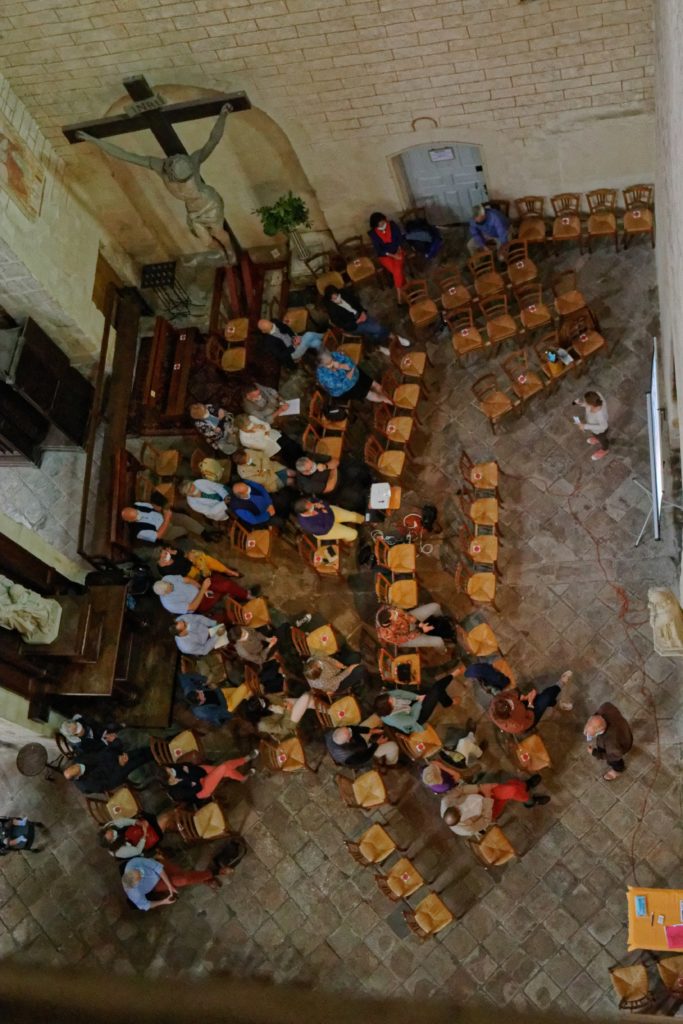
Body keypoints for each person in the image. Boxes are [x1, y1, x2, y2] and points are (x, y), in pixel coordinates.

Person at [441, 775, 549, 837]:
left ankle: (527, 793)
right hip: (488, 809)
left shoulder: (446, 801)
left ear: (452, 806)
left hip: (481, 793)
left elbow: (462, 789)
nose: (461, 807)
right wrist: (488, 797)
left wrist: (481, 787)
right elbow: (486, 820)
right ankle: (528, 794)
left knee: (512, 789)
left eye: (457, 806)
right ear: (460, 819)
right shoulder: (467, 829)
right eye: (461, 811)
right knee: (511, 790)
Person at [323, 284, 409, 353]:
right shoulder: (332, 310)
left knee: (373, 331)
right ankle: (394, 338)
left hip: (360, 314)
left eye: (337, 296)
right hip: (353, 325)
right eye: (334, 299)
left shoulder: (344, 293)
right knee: (377, 328)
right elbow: (342, 325)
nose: (337, 299)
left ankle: (377, 346)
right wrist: (357, 322)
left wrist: (362, 312)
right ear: (330, 300)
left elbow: (356, 302)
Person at [121, 855, 220, 910]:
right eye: (140, 877)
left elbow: (157, 867)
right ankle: (208, 875)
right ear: (137, 885)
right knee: (183, 879)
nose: (141, 873)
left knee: (181, 875)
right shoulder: (134, 894)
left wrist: (169, 886)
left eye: (139, 871)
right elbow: (146, 905)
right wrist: (164, 901)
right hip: (155, 885)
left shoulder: (133, 863)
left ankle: (209, 875)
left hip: (158, 867)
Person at [488, 671, 573, 734]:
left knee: (546, 698)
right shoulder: (516, 725)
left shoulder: (497, 700)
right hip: (528, 719)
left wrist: (523, 697)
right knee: (546, 698)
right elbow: (529, 719)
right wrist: (530, 703)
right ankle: (561, 683)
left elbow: (510, 694)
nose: (513, 702)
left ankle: (556, 701)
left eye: (509, 701)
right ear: (509, 714)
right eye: (512, 706)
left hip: (522, 707)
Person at [163, 753, 258, 806]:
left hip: (199, 772)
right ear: (169, 781)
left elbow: (188, 765)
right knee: (224, 767)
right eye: (170, 773)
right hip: (202, 789)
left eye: (168, 769)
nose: (171, 770)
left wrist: (190, 776)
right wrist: (188, 774)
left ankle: (242, 776)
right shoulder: (177, 792)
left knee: (225, 770)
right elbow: (198, 788)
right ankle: (244, 761)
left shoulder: (169, 767)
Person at [373, 676, 455, 734]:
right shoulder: (395, 719)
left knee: (432, 689)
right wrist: (419, 702)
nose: (392, 697)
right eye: (391, 700)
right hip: (416, 719)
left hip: (407, 706)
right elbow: (412, 719)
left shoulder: (385, 697)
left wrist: (417, 697)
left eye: (390, 697)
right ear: (389, 707)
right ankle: (454, 674)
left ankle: (447, 702)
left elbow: (400, 693)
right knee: (436, 689)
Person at [63, 746, 155, 794]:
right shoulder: (87, 785)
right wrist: (120, 765)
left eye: (73, 766)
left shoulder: (77, 760)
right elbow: (111, 783)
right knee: (140, 760)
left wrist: (116, 757)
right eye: (76, 768)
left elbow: (99, 755)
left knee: (137, 752)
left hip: (112, 759)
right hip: (117, 772)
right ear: (76, 777)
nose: (76, 765)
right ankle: (157, 755)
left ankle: (157, 746)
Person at [295, 455, 372, 512]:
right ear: (305, 472)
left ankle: (373, 485)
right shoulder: (308, 485)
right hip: (336, 491)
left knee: (359, 470)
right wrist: (333, 469)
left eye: (312, 464)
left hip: (340, 472)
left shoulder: (312, 457)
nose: (314, 467)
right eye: (311, 468)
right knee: (356, 497)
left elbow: (335, 460)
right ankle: (370, 508)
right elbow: (330, 487)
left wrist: (326, 466)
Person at [315, 348, 391, 404]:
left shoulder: (333, 355)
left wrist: (342, 366)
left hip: (355, 374)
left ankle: (388, 397)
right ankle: (389, 401)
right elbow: (344, 384)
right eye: (328, 364)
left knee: (376, 385)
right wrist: (346, 368)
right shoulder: (325, 377)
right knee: (371, 394)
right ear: (321, 365)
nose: (332, 363)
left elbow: (350, 362)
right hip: (347, 389)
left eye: (332, 360)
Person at [152, 572, 250, 615]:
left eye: (170, 584)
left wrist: (202, 588)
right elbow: (192, 607)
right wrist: (203, 590)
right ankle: (242, 598)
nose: (172, 585)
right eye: (170, 588)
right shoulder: (169, 604)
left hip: (201, 589)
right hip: (200, 603)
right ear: (164, 594)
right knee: (223, 594)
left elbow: (188, 580)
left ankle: (244, 595)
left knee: (225, 584)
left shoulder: (166, 578)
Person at [177, 671, 249, 726]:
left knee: (246, 692)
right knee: (245, 688)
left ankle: (251, 694)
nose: (203, 693)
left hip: (220, 692)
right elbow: (224, 709)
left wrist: (205, 680)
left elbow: (184, 677)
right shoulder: (204, 712)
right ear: (201, 702)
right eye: (203, 696)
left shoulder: (189, 688)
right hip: (226, 705)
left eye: (200, 692)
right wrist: (217, 689)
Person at [120, 500, 207, 545]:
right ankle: (190, 534)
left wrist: (161, 509)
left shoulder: (137, 505)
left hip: (164, 516)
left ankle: (204, 532)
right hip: (166, 531)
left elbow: (151, 506)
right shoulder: (139, 532)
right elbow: (158, 536)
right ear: (130, 521)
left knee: (184, 519)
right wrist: (167, 519)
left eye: (137, 512)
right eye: (136, 517)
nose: (139, 514)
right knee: (184, 529)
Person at [228, 625, 284, 692]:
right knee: (282, 636)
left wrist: (267, 639)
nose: (246, 633)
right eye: (243, 635)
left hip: (262, 643)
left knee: (283, 627)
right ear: (238, 640)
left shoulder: (241, 629)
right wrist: (270, 646)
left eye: (243, 630)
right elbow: (260, 660)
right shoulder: (243, 651)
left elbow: (256, 634)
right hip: (263, 654)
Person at [584, 703, 633, 780]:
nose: (589, 735)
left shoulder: (611, 741)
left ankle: (618, 770)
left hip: (622, 743)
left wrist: (595, 753)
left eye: (592, 734)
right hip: (623, 729)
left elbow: (615, 756)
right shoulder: (606, 708)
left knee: (614, 761)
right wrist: (590, 727)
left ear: (601, 731)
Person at [99, 810, 175, 860]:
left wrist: (137, 822)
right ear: (111, 841)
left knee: (165, 819)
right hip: (142, 843)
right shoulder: (118, 851)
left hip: (136, 829)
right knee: (166, 818)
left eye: (110, 831)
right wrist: (144, 834)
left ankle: (176, 820)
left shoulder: (108, 826)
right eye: (111, 835)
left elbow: (123, 821)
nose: (112, 831)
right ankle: (177, 818)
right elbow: (138, 850)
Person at [375, 603, 455, 650]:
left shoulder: (389, 610)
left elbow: (406, 616)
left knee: (435, 606)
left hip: (408, 622)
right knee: (438, 641)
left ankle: (441, 619)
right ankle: (443, 649)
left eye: (394, 612)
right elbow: (406, 638)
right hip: (406, 638)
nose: (396, 613)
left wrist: (421, 624)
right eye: (394, 616)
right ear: (389, 622)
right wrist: (421, 630)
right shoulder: (386, 634)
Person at [236, 414, 303, 468]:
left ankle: (303, 456)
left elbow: (266, 424)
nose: (251, 424)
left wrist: (264, 427)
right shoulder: (244, 440)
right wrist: (264, 434)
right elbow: (262, 445)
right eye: (248, 425)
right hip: (270, 448)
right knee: (287, 454)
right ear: (242, 428)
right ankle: (298, 465)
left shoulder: (251, 418)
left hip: (274, 435)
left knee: (290, 443)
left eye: (250, 422)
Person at [256, 317, 324, 368]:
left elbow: (287, 328)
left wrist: (294, 337)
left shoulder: (274, 323)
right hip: (292, 353)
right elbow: (281, 355)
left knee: (316, 343)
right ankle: (326, 335)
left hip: (294, 340)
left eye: (273, 325)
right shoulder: (269, 342)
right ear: (264, 331)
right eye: (272, 328)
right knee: (309, 335)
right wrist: (293, 346)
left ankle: (325, 357)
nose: (275, 327)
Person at [157, 546, 245, 584]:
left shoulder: (170, 555)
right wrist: (191, 560)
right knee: (202, 561)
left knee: (203, 558)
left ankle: (227, 571)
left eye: (166, 552)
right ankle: (224, 572)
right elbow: (182, 573)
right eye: (164, 555)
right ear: (160, 560)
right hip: (192, 575)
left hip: (191, 564)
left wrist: (173, 552)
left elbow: (181, 554)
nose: (167, 555)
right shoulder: (165, 571)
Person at [368, 212, 406, 298]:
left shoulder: (392, 225)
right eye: (379, 224)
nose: (382, 224)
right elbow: (379, 249)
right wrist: (393, 256)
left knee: (397, 271)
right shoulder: (373, 234)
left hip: (398, 251)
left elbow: (400, 238)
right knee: (397, 271)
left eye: (383, 221)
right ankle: (404, 288)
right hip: (385, 255)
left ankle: (399, 295)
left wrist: (398, 251)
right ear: (375, 225)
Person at [294, 498, 365, 543]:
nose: (313, 506)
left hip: (331, 513)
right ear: (305, 513)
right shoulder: (308, 525)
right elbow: (326, 527)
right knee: (353, 533)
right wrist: (325, 512)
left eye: (312, 504)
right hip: (327, 530)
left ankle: (366, 521)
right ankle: (347, 539)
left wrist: (323, 506)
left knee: (354, 516)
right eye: (311, 508)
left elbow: (325, 503)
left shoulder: (309, 502)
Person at [324, 725, 399, 768]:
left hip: (360, 743)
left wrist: (369, 730)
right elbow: (365, 757)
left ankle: (371, 737)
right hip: (366, 754)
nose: (350, 730)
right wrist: (377, 744)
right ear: (347, 741)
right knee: (393, 746)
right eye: (349, 733)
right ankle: (391, 763)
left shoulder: (334, 732)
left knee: (376, 718)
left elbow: (352, 728)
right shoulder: (350, 757)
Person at [573, 390, 610, 461]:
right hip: (594, 428)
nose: (584, 402)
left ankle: (605, 450)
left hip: (600, 431)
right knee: (595, 434)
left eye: (585, 401)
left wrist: (585, 426)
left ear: (592, 404)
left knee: (603, 440)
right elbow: (587, 405)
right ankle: (596, 438)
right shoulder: (597, 396)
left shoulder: (600, 415)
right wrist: (580, 403)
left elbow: (603, 427)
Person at [58, 714, 123, 754]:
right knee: (116, 746)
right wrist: (105, 740)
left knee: (112, 726)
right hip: (102, 744)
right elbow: (96, 750)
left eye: (77, 725)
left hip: (101, 732)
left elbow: (96, 724)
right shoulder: (83, 745)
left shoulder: (81, 720)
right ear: (75, 735)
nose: (81, 728)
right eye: (77, 730)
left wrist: (105, 733)